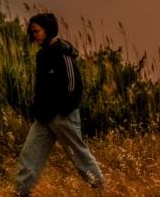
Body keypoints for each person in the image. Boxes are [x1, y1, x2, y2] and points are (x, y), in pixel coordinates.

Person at [15, 12, 104, 196]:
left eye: (37, 31)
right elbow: (40, 87)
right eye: (32, 32)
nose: (34, 35)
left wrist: (62, 111)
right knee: (28, 155)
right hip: (43, 118)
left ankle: (100, 189)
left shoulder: (63, 52)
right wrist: (38, 108)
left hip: (64, 117)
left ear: (48, 30)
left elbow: (75, 86)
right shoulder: (41, 55)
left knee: (79, 156)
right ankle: (20, 193)